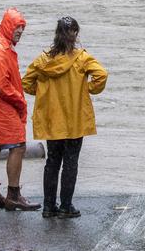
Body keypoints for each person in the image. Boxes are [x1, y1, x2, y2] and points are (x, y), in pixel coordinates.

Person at [22, 16, 107, 219]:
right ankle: (66, 206)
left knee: (52, 162)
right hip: (75, 120)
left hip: (52, 121)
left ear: (56, 34)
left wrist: (43, 94)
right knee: (70, 163)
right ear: (75, 34)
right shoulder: (82, 59)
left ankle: (49, 206)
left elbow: (26, 82)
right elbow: (102, 75)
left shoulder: (43, 60)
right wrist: (87, 90)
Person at [0, 7, 40, 211]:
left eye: (21, 30)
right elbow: (1, 85)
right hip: (2, 107)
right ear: (7, 26)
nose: (19, 33)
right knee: (18, 146)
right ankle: (13, 194)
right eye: (17, 29)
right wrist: (20, 102)